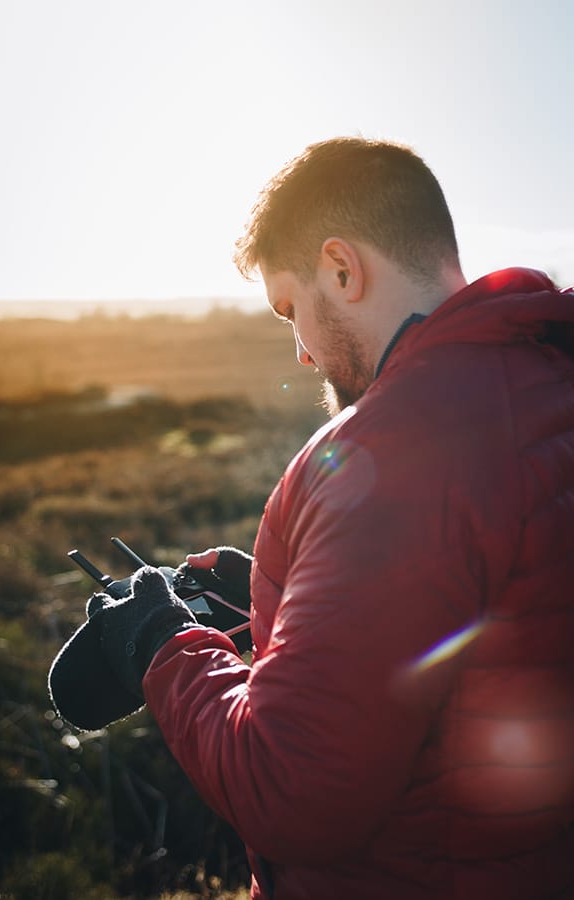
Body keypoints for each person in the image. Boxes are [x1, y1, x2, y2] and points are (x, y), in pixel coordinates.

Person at [73, 138, 574, 898]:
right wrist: (292, 611)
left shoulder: (396, 449)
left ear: (342, 270)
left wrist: (162, 643)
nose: (302, 353)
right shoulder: (545, 377)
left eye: (290, 309)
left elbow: (291, 793)